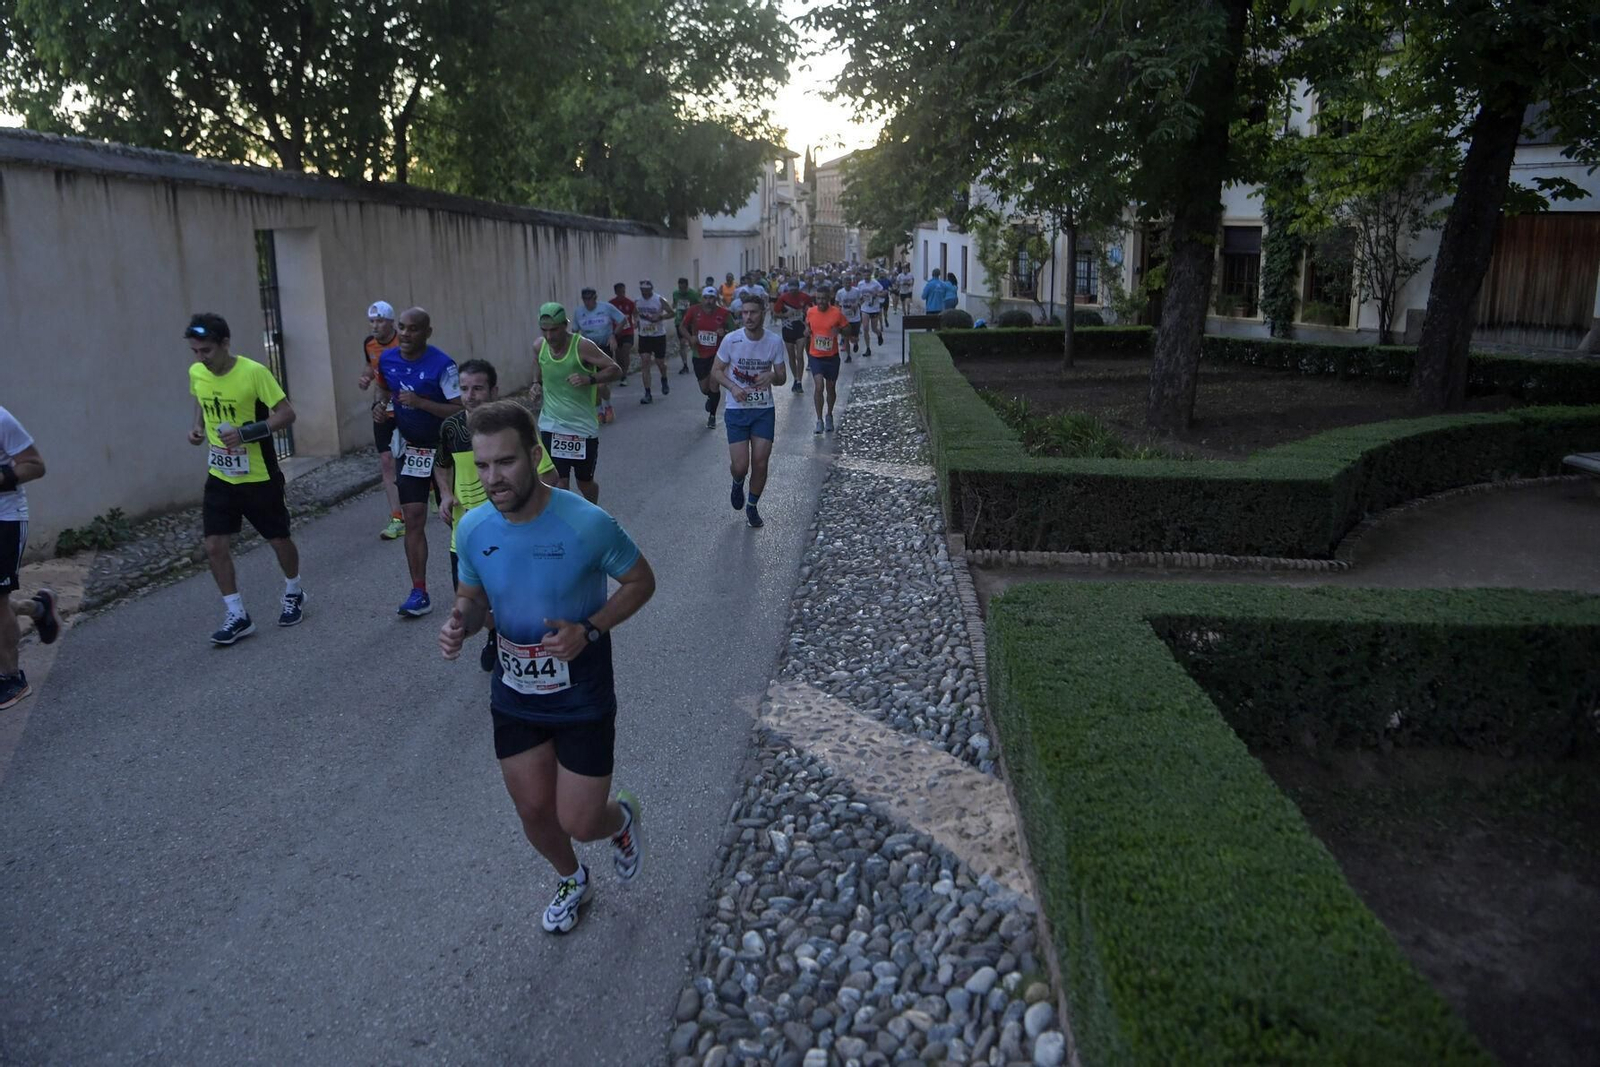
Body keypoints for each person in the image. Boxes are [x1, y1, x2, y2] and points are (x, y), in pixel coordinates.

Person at [439, 399, 655, 935]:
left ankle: (621, 819)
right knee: (535, 811)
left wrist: (590, 629)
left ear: (535, 457)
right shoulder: (473, 528)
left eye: (505, 462)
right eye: (482, 465)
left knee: (580, 820)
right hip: (514, 692)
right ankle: (573, 879)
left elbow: (641, 582)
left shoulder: (586, 523)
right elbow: (471, 599)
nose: (492, 478)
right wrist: (461, 623)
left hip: (581, 692)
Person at [184, 313, 304, 645]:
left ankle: (294, 590)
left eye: (206, 351)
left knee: (278, 540)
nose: (200, 358)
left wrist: (246, 433)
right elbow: (201, 398)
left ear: (225, 344)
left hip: (258, 475)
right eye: (195, 351)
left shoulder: (254, 373)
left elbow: (287, 414)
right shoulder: (197, 372)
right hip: (220, 475)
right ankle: (237, 614)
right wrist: (197, 428)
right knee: (213, 545)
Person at [435, 359, 556, 671]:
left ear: (494, 390)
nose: (470, 396)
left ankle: (511, 641)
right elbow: (441, 464)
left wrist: (525, 508)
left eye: (478, 388)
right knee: (470, 597)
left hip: (509, 530)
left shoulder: (512, 429)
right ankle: (496, 633)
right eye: (464, 389)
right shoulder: (451, 428)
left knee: (510, 595)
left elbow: (549, 474)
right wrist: (445, 494)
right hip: (465, 532)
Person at [375, 307, 463, 617]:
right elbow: (383, 389)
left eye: (413, 329)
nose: (405, 334)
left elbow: (459, 409)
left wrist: (421, 403)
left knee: (458, 519)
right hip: (411, 450)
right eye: (402, 327)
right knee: (413, 518)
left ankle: (471, 585)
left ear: (428, 332)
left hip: (445, 451)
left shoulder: (443, 365)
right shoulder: (388, 359)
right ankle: (419, 591)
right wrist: (380, 406)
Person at [530, 302, 621, 502]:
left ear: (565, 325)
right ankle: (565, 519)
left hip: (582, 427)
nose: (549, 336)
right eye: (544, 330)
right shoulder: (539, 346)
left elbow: (615, 369)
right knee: (559, 482)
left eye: (554, 330)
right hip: (552, 425)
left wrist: (590, 379)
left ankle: (593, 511)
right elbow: (537, 361)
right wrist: (536, 383)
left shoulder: (582, 346)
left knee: (585, 484)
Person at [0, 405, 60, 710]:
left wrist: (2, 476)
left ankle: (12, 679)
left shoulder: (1, 419)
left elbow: (35, 465)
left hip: (5, 518)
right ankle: (39, 608)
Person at [711, 293, 787, 529]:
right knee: (741, 466)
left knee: (761, 462)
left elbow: (782, 378)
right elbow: (716, 370)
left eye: (753, 312)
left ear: (763, 313)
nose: (748, 317)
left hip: (763, 410)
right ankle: (737, 481)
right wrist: (733, 387)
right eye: (744, 313)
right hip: (737, 410)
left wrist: (772, 376)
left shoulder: (774, 341)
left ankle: (752, 506)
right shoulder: (731, 340)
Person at [357, 300, 405, 539]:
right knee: (387, 460)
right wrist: (366, 378)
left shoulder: (404, 342)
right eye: (371, 321)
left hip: (407, 406)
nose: (375, 326)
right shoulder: (369, 343)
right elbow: (370, 364)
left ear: (391, 322)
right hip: (382, 406)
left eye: (379, 321)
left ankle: (431, 487)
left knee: (417, 455)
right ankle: (397, 518)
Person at [681, 287, 733, 429]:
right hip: (699, 354)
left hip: (718, 355)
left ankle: (712, 416)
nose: (708, 301)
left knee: (714, 384)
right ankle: (711, 397)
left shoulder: (724, 313)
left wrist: (725, 332)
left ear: (716, 299)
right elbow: (682, 327)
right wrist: (690, 337)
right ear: (701, 298)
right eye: (706, 298)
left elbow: (735, 331)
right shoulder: (693, 311)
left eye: (711, 298)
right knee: (705, 388)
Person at [573, 288, 625, 424]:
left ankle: (608, 406)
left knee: (601, 384)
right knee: (592, 384)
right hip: (588, 350)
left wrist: (613, 335)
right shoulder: (578, 312)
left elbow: (622, 320)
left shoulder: (606, 308)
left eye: (590, 299)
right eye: (585, 299)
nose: (588, 302)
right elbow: (574, 332)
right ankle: (598, 410)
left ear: (595, 298)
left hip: (604, 347)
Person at [804, 288, 849, 435]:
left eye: (823, 298)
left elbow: (848, 329)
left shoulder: (836, 313)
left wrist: (840, 331)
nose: (821, 301)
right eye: (818, 298)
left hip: (832, 357)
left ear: (829, 298)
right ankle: (819, 420)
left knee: (830, 388)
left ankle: (829, 415)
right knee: (819, 387)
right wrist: (807, 331)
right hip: (815, 356)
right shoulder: (811, 312)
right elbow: (807, 325)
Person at [633, 280, 672, 405]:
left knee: (660, 362)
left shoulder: (659, 299)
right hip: (644, 335)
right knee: (645, 362)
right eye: (642, 291)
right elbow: (635, 313)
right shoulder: (637, 301)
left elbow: (672, 313)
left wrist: (660, 317)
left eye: (646, 291)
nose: (644, 293)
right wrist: (636, 322)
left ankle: (664, 378)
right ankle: (647, 393)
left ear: (651, 289)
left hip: (658, 335)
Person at [774, 279, 813, 393]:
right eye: (791, 290)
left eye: (795, 289)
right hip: (788, 328)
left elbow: (811, 312)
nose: (793, 292)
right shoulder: (783, 298)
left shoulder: (805, 297)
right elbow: (775, 314)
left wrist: (808, 325)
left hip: (800, 328)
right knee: (791, 356)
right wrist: (785, 314)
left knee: (800, 355)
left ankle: (799, 381)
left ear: (798, 288)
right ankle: (795, 378)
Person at [609, 283, 637, 388]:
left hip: (628, 332)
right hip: (616, 332)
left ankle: (624, 375)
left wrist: (636, 321)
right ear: (615, 292)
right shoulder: (611, 304)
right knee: (619, 355)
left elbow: (635, 313)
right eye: (619, 292)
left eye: (623, 292)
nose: (622, 294)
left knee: (625, 351)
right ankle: (620, 372)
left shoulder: (629, 303)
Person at [670, 277, 698, 374]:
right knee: (682, 343)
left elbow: (699, 306)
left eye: (683, 288)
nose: (682, 290)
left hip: (691, 322)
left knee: (692, 342)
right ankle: (685, 365)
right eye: (680, 288)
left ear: (687, 286)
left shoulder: (693, 294)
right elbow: (674, 304)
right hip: (680, 322)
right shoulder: (675, 294)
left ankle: (696, 361)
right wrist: (673, 308)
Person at [835, 274, 863, 363]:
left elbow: (862, 299)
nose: (847, 284)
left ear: (851, 283)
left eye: (849, 283)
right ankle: (848, 356)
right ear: (843, 283)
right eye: (846, 283)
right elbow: (836, 303)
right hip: (845, 319)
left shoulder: (856, 291)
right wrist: (838, 310)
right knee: (846, 338)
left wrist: (857, 304)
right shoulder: (840, 292)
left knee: (854, 337)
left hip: (855, 318)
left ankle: (855, 343)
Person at [858, 272, 886, 355]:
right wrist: (859, 301)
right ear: (863, 276)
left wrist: (877, 294)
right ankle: (868, 348)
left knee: (874, 328)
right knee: (865, 328)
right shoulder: (860, 284)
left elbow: (884, 293)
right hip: (865, 308)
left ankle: (879, 334)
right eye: (865, 275)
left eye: (868, 275)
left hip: (874, 309)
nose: (866, 277)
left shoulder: (875, 283)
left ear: (870, 276)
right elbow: (859, 295)